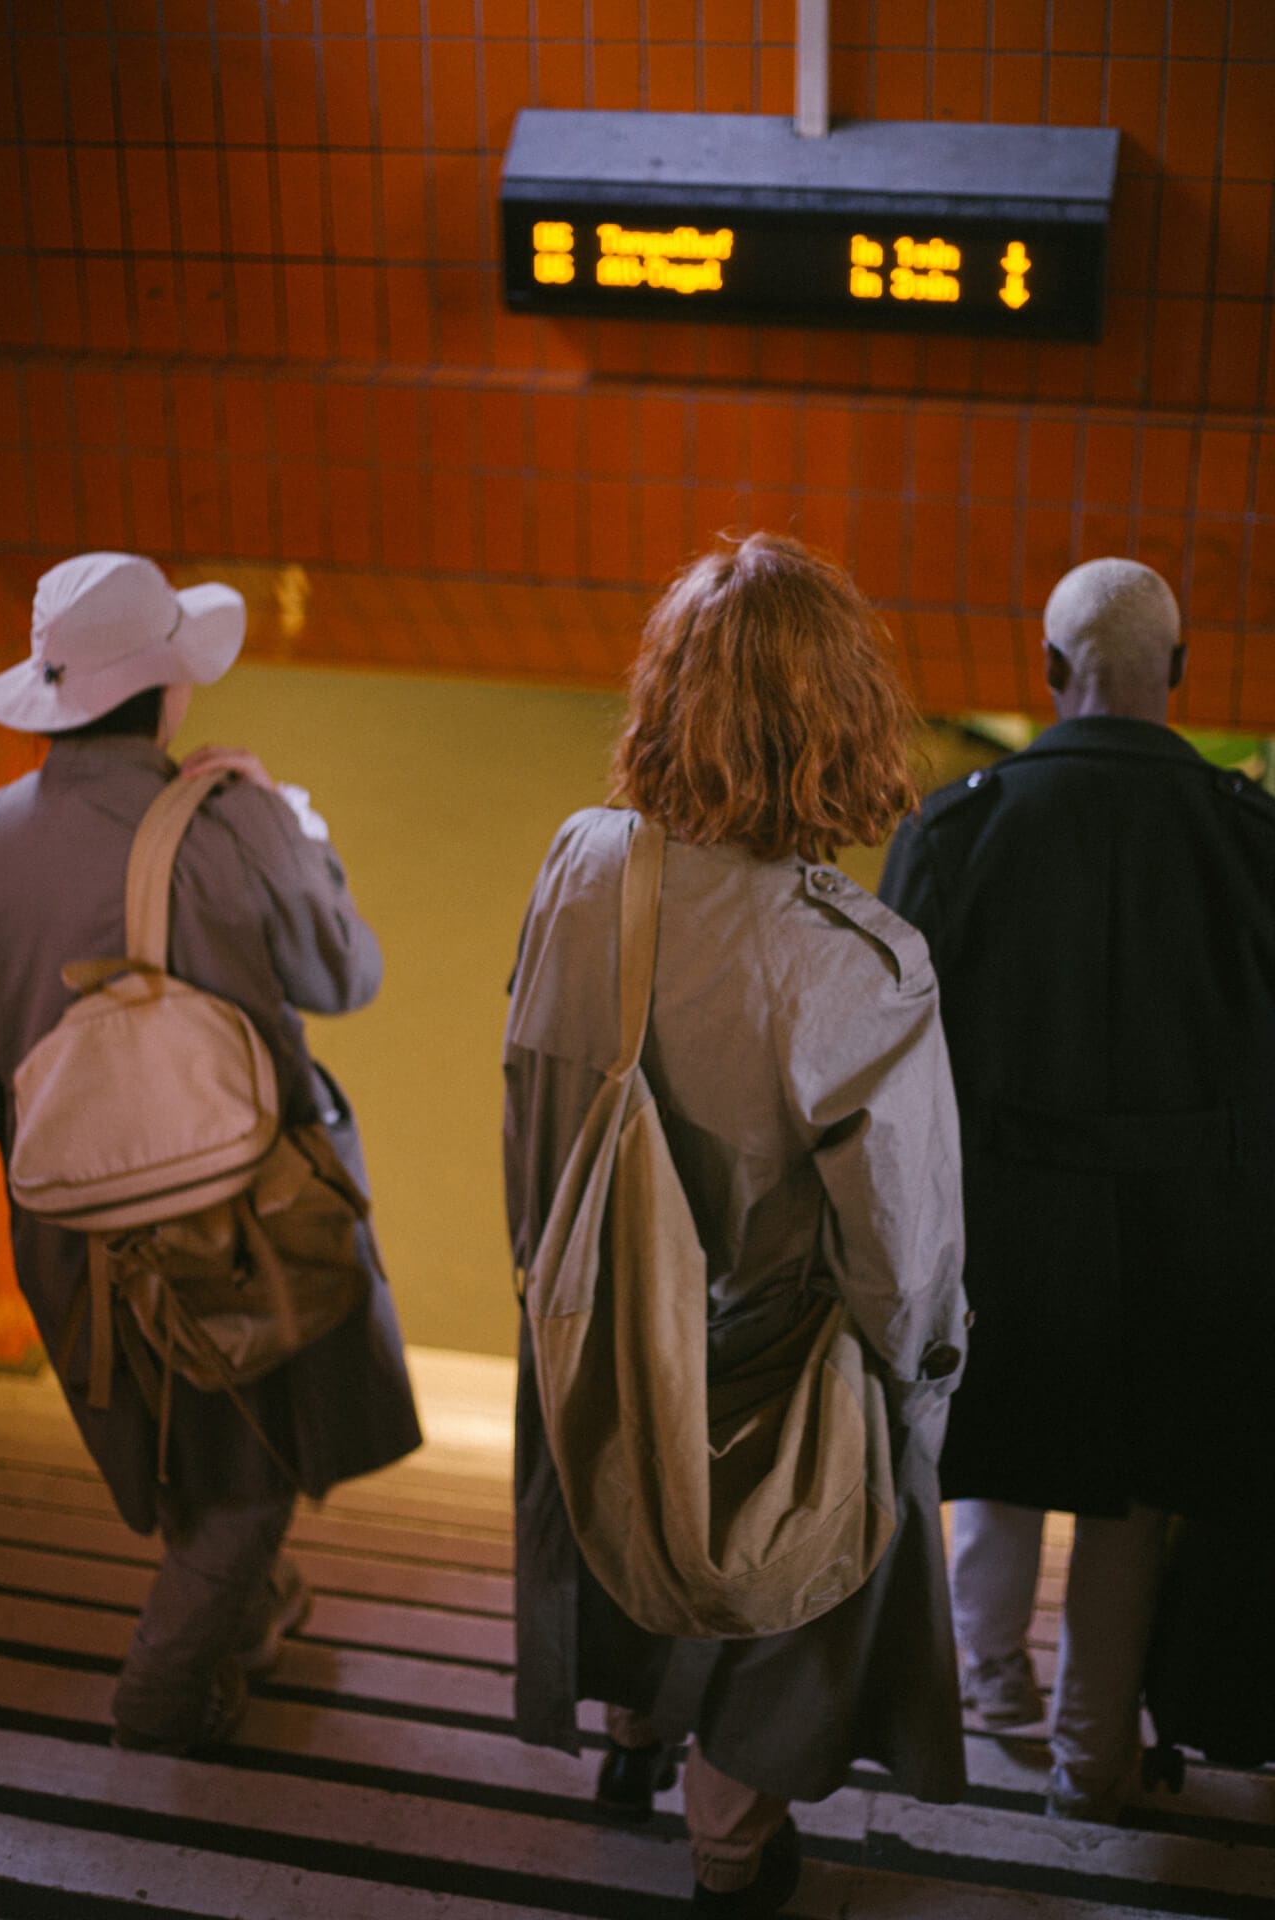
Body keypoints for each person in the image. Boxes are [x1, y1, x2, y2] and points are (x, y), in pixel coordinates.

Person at [503, 532, 969, 1914]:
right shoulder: (854, 961)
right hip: (767, 1356)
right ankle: (727, 1843)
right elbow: (901, 1257)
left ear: (665, 697)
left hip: (586, 1312)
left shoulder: (583, 864)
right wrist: (919, 1382)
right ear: (846, 718)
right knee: (796, 1576)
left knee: (618, 1510)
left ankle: (631, 1733)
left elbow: (527, 1089)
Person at [0, 550, 422, 1754]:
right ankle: (161, 1700)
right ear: (168, 688)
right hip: (234, 1224)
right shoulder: (228, 820)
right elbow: (345, 974)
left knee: (180, 1449)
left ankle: (243, 1611)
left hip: (66, 1230)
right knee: (251, 1469)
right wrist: (287, 828)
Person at [878, 557, 1275, 1822]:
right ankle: (1089, 1766)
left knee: (993, 1449)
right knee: (1134, 1492)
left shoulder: (954, 828)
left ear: (1047, 669)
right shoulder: (1248, 838)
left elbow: (893, 1062)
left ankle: (986, 1692)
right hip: (1190, 1232)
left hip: (999, 1220)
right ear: (1180, 669)